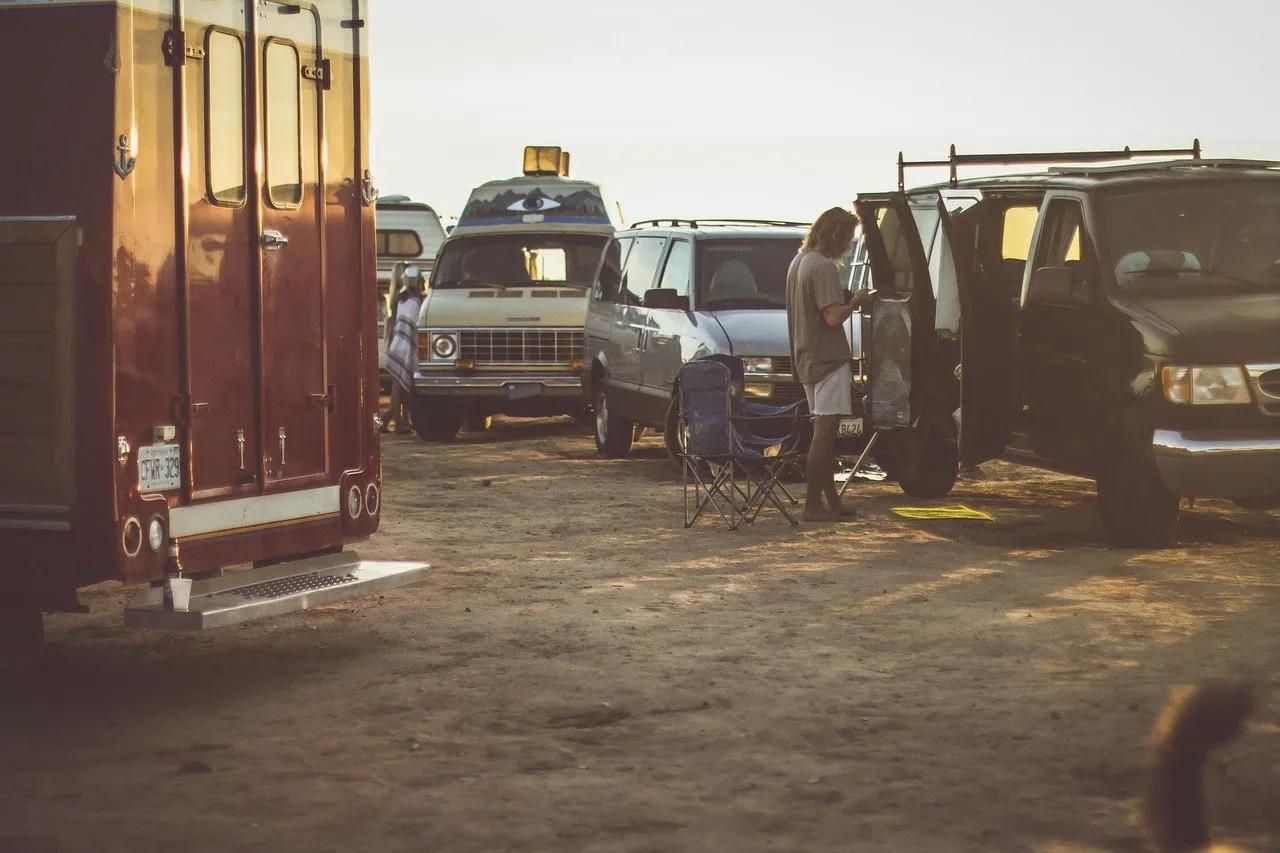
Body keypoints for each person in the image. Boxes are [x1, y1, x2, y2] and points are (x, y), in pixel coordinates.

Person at [785, 207, 873, 522]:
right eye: (849, 237)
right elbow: (833, 316)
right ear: (836, 235)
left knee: (821, 432)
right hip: (828, 361)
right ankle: (812, 505)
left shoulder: (799, 262)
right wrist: (856, 302)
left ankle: (831, 503)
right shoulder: (823, 268)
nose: (850, 244)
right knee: (824, 436)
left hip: (807, 357)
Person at [382, 262, 424, 434]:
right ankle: (384, 420)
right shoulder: (416, 302)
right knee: (400, 392)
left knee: (400, 390)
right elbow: (416, 326)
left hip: (397, 346)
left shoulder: (400, 300)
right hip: (405, 349)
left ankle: (401, 422)